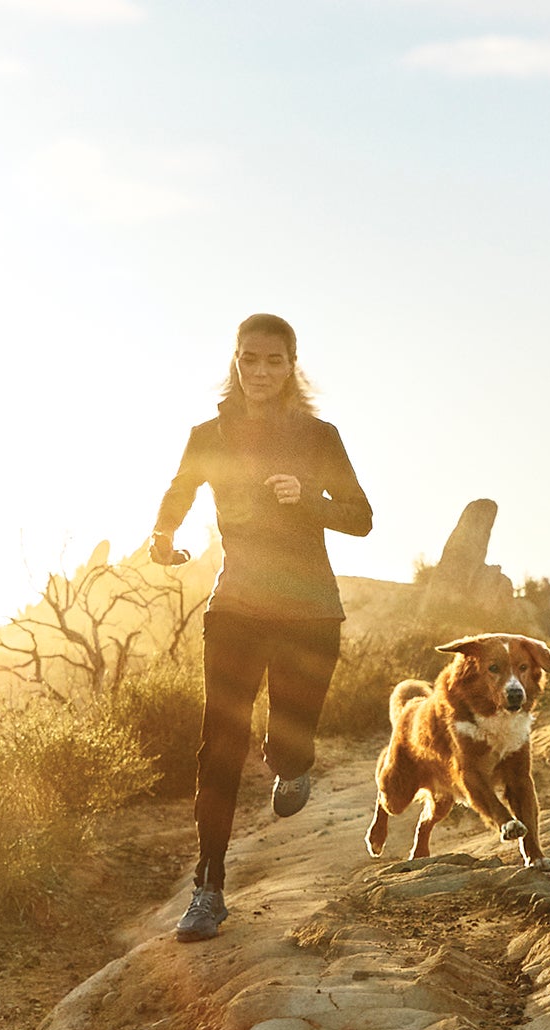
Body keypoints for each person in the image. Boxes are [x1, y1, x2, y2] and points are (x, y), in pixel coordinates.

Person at [149, 313, 373, 941]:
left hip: (310, 611)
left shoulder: (318, 437)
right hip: (237, 608)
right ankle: (209, 887)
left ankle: (292, 761)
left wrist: (308, 497)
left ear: (291, 366)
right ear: (235, 361)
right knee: (219, 746)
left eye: (273, 361)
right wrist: (163, 536)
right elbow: (179, 492)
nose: (260, 372)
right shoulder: (209, 434)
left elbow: (361, 517)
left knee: (287, 742)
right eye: (249, 358)